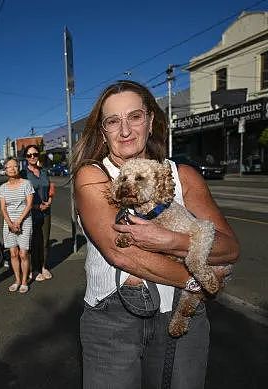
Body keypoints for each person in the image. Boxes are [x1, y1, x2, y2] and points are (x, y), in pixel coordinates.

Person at [71, 80, 239, 388]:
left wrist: (174, 241)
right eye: (113, 121)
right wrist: (197, 281)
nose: (125, 131)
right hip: (113, 320)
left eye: (134, 117)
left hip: (182, 314)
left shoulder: (183, 175)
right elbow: (122, 252)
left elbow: (230, 249)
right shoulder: (93, 176)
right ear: (102, 131)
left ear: (150, 121)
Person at [0, 157, 35, 294]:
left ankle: (25, 281)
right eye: (9, 167)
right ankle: (17, 280)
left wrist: (18, 221)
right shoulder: (2, 188)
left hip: (24, 221)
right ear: (5, 170)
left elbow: (29, 204)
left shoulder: (26, 183)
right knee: (13, 254)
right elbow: (2, 208)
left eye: (15, 166)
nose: (12, 169)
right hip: (9, 223)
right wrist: (10, 223)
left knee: (23, 253)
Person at [20, 144, 55, 282]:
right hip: (31, 212)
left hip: (46, 210)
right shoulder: (23, 174)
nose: (33, 157)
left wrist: (50, 200)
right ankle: (34, 269)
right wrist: (35, 206)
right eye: (29, 155)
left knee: (45, 241)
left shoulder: (44, 171)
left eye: (35, 154)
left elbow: (50, 187)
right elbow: (21, 194)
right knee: (34, 241)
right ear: (26, 157)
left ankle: (44, 266)